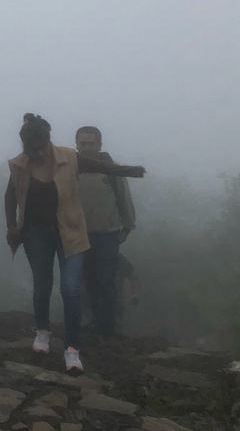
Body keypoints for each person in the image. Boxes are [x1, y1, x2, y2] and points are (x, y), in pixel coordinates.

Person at [4, 113, 146, 375]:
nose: (37, 151)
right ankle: (50, 332)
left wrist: (130, 173)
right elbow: (10, 195)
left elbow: (109, 175)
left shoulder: (69, 159)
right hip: (44, 234)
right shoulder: (21, 165)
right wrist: (12, 227)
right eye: (31, 147)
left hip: (80, 231)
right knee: (53, 284)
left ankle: (82, 343)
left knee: (82, 286)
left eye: (40, 145)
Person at [75, 125, 137, 339]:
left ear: (99, 145)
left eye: (90, 143)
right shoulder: (71, 169)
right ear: (76, 144)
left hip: (107, 233)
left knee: (106, 281)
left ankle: (107, 328)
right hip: (78, 234)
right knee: (86, 280)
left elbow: (123, 197)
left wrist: (128, 225)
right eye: (82, 143)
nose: (86, 147)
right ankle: (91, 322)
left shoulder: (111, 170)